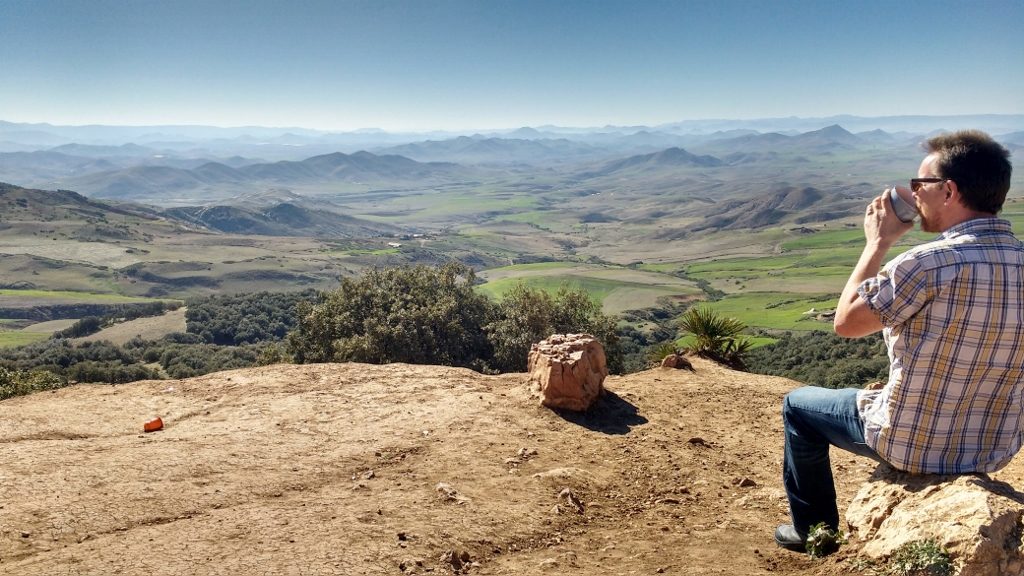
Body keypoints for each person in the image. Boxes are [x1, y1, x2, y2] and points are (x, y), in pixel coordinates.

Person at [775, 130, 1023, 551]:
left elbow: (846, 323)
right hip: (993, 448)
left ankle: (813, 531)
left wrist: (877, 243)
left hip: (912, 443)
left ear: (949, 191)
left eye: (919, 184)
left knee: (798, 406)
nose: (913, 192)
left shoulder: (926, 264)